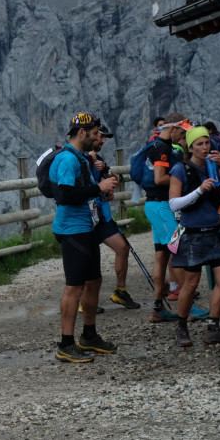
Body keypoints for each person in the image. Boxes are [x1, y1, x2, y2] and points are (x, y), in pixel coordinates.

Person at [51, 113, 120, 362]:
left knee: (94, 281)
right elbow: (65, 195)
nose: (98, 137)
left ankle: (89, 336)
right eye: (95, 133)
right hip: (72, 229)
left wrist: (101, 193)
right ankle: (66, 344)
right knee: (74, 287)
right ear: (82, 132)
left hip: (87, 227)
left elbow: (84, 190)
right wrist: (98, 188)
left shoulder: (81, 158)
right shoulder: (68, 159)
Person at [166, 126, 220, 347]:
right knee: (191, 283)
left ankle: (213, 328)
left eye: (207, 142)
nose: (205, 147)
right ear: (190, 147)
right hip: (193, 233)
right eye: (200, 144)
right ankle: (181, 327)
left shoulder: (212, 166)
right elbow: (173, 204)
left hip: (214, 230)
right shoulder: (180, 169)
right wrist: (199, 190)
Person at [145, 113, 190, 323]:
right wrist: (182, 179)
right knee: (177, 248)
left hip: (155, 206)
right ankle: (189, 306)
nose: (182, 137)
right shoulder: (162, 147)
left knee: (162, 256)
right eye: (181, 132)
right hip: (161, 207)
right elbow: (159, 178)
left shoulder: (159, 145)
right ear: (173, 128)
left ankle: (157, 307)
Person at [88, 125, 140, 310]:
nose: (103, 141)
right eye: (101, 137)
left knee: (122, 248)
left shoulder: (98, 158)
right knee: (88, 258)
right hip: (85, 217)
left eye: (105, 138)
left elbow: (115, 179)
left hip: (102, 216)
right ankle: (85, 301)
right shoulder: (78, 157)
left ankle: (120, 292)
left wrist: (106, 170)